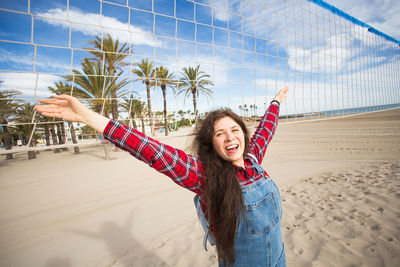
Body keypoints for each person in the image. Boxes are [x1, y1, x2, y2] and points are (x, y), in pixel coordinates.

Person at [35, 86, 289, 267]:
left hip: (279, 259)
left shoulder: (253, 158)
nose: (230, 137)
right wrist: (87, 117)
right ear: (210, 144)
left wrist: (276, 101)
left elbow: (267, 127)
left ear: (244, 134)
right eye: (220, 133)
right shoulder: (205, 175)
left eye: (235, 130)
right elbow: (150, 150)